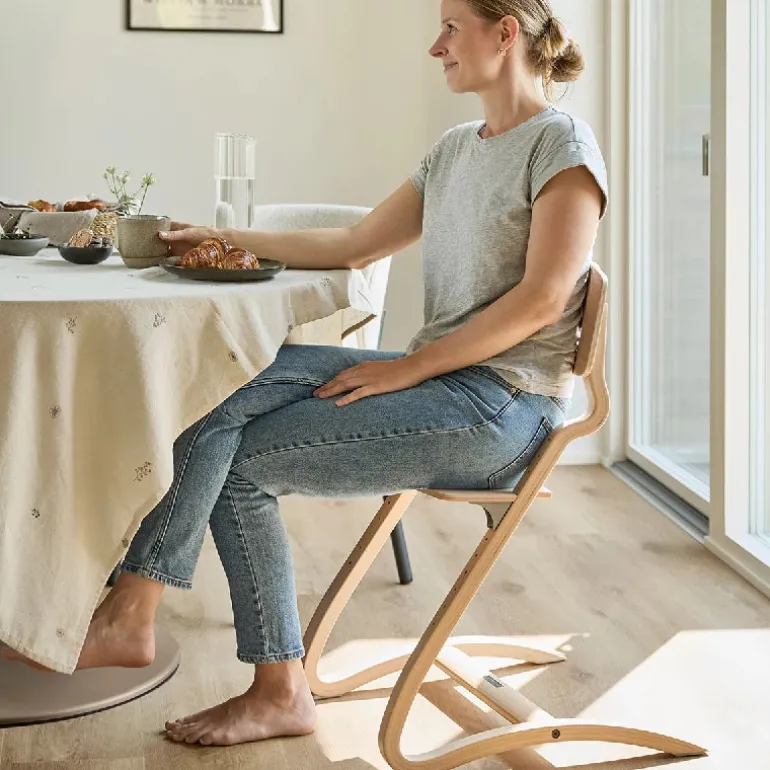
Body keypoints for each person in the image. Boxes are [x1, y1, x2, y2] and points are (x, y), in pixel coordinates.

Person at [5, 0, 608, 748]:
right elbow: (355, 243)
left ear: (505, 32)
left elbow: (546, 299)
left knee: (237, 466)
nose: (435, 46)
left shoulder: (562, 146)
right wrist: (223, 234)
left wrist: (409, 368)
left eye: (451, 27)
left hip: (504, 407)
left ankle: (277, 690)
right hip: (441, 380)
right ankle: (131, 612)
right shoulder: (458, 147)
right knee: (212, 387)